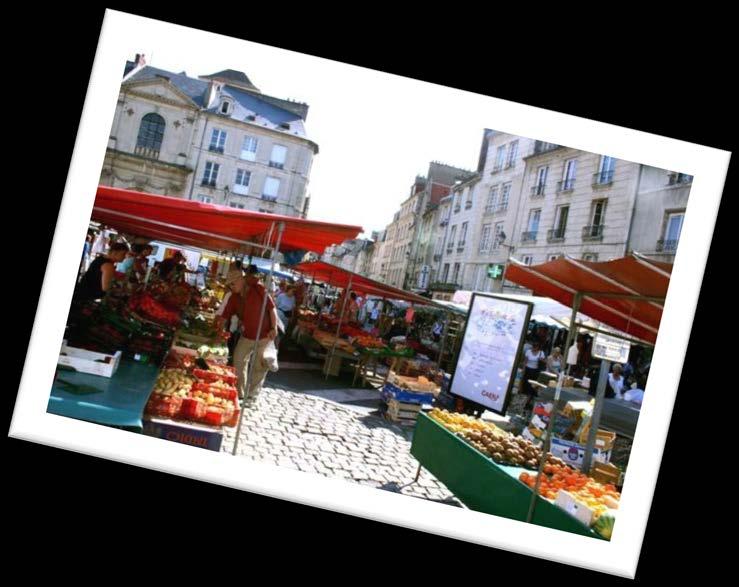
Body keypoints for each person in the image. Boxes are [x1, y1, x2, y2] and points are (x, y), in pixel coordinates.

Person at [220, 265, 279, 401]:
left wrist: (274, 327)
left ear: (241, 280)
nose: (231, 287)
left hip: (265, 335)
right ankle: (240, 393)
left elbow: (272, 308)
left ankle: (252, 395)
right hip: (247, 335)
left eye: (233, 283)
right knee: (238, 360)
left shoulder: (258, 288)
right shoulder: (234, 297)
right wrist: (218, 332)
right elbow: (224, 316)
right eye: (229, 285)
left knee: (260, 366)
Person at [521, 340, 546, 411]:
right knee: (526, 386)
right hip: (528, 370)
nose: (534, 348)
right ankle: (524, 402)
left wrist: (541, 359)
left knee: (532, 388)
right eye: (533, 347)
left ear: (538, 348)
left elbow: (545, 362)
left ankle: (527, 402)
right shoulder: (528, 352)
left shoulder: (541, 353)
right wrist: (523, 370)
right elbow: (525, 361)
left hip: (535, 372)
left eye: (535, 347)